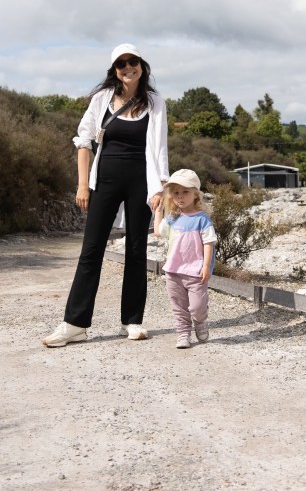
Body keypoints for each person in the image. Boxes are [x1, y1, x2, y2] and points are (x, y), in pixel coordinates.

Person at [43, 43, 169, 347]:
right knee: (91, 249)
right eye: (121, 64)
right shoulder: (102, 99)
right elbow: (84, 140)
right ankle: (74, 324)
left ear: (141, 65)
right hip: (105, 181)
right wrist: (82, 185)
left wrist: (160, 191)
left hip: (141, 182)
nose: (128, 68)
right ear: (114, 70)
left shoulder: (155, 102)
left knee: (137, 251)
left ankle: (133, 321)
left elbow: (160, 149)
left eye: (132, 61)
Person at [152, 169, 217, 349]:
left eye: (185, 191)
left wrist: (206, 266)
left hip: (195, 271)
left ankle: (200, 320)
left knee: (197, 307)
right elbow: (158, 232)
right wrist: (158, 212)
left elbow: (209, 243)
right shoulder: (173, 218)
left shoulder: (202, 219)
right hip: (173, 271)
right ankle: (183, 334)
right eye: (176, 193)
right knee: (179, 307)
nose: (180, 196)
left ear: (195, 194)